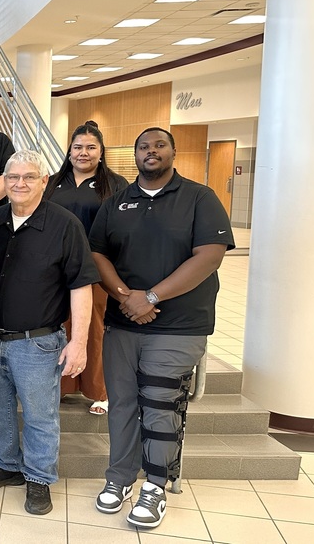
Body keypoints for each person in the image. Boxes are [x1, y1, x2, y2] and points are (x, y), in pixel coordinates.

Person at [89, 127, 234, 529]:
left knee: (159, 406)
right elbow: (97, 252)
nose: (150, 152)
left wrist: (150, 297)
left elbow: (209, 257)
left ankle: (154, 486)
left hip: (179, 326)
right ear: (133, 155)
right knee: (121, 405)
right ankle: (119, 479)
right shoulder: (117, 202)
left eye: (159, 145)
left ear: (173, 152)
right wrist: (124, 296)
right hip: (124, 323)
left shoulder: (199, 199)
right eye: (143, 147)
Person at [0, 150, 99, 516]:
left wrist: (78, 343)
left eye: (29, 177)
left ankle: (40, 477)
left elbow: (80, 286)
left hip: (38, 342)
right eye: (13, 177)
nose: (20, 183)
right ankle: (6, 464)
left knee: (40, 415)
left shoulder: (65, 225)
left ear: (45, 181)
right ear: (4, 182)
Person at [46, 121, 128, 415]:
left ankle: (99, 391)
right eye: (78, 147)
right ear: (69, 151)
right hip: (56, 267)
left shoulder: (116, 185)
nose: (84, 153)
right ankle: (64, 386)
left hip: (95, 267)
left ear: (101, 152)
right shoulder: (53, 183)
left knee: (93, 328)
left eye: (91, 147)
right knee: (59, 326)